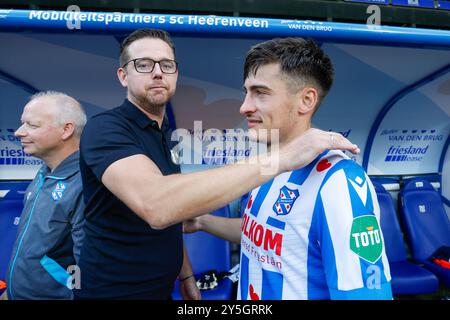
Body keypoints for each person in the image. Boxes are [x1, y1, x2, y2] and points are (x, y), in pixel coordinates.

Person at [74, 29, 359, 300]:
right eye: (144, 64)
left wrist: (186, 273)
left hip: (160, 290)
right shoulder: (105, 129)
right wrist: (282, 158)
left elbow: (185, 218)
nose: (158, 72)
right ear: (123, 76)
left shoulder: (336, 178)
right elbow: (157, 205)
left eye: (166, 64)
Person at [184, 38, 393, 300]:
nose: (245, 106)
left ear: (306, 100)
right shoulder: (267, 165)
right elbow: (267, 235)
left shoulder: (338, 182)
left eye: (260, 93)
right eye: (246, 92)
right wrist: (202, 222)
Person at [2, 91, 87, 300]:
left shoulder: (86, 185)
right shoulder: (44, 173)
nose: (19, 132)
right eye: (22, 123)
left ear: (67, 129)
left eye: (32, 125)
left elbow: (90, 271)